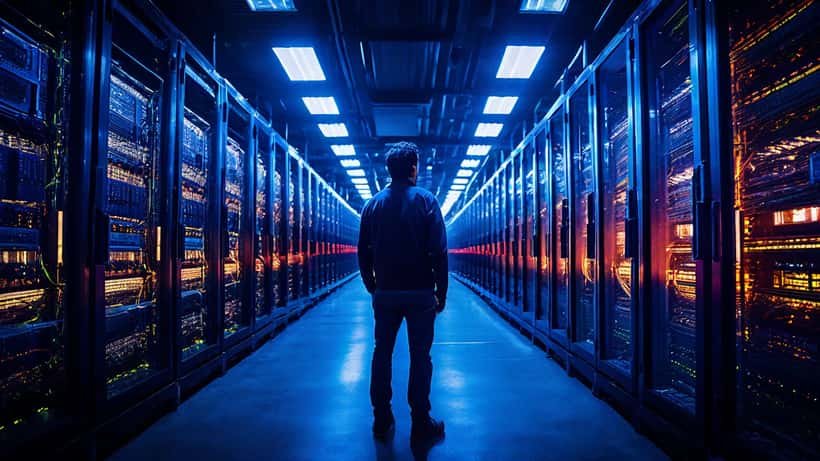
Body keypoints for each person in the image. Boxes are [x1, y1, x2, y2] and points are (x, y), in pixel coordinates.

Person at [357, 142, 448, 443]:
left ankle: (381, 418)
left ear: (389, 170)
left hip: (386, 293)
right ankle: (421, 421)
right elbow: (439, 251)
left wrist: (372, 285)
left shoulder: (372, 205)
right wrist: (441, 291)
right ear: (413, 168)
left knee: (381, 353)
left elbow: (362, 252)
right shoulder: (427, 201)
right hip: (421, 293)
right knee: (420, 356)